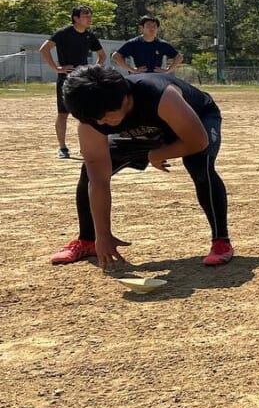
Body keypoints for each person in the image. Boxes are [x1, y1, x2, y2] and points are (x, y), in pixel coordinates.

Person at [49, 65, 233, 268]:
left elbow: (198, 141)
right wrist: (103, 234)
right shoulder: (92, 119)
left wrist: (156, 154)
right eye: (96, 120)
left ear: (125, 98)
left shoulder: (160, 95)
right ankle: (87, 240)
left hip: (196, 121)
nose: (103, 123)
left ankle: (221, 241)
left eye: (107, 115)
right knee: (89, 173)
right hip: (144, 129)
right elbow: (98, 179)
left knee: (199, 164)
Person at [39, 5, 106, 158]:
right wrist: (57, 68)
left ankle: (86, 148)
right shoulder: (64, 33)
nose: (89, 18)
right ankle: (62, 148)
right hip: (66, 79)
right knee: (63, 114)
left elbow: (102, 56)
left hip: (83, 79)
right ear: (76, 18)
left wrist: (93, 70)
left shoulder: (90, 35)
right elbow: (44, 49)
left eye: (90, 15)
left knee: (87, 115)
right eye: (85, 15)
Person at [112, 15, 183, 74]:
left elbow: (179, 57)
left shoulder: (162, 44)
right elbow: (116, 56)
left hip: (157, 77)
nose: (151, 28)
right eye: (148, 26)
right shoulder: (133, 43)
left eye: (154, 26)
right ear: (142, 28)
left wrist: (167, 70)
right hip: (140, 76)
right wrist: (132, 70)